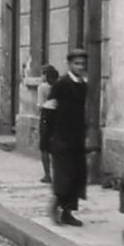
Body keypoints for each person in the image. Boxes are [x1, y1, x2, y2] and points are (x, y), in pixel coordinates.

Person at [47, 49, 88, 227]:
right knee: (64, 174)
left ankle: (68, 212)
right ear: (69, 64)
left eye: (82, 64)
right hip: (61, 135)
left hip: (77, 136)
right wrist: (48, 136)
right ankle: (56, 204)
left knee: (77, 175)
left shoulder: (83, 84)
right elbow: (49, 110)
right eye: (77, 64)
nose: (80, 67)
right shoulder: (61, 84)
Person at [37, 65, 59, 183]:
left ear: (45, 75)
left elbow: (40, 105)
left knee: (44, 146)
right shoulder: (59, 86)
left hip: (46, 114)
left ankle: (47, 175)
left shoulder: (42, 87)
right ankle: (57, 174)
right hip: (58, 115)